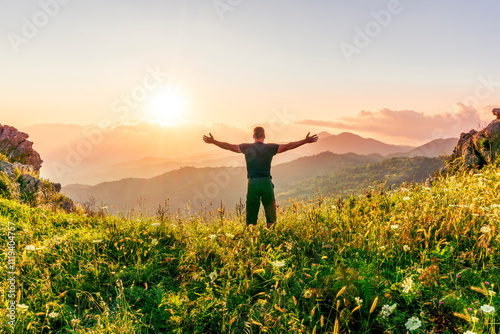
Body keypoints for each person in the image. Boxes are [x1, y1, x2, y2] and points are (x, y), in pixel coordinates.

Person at [203, 127, 318, 229]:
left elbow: (228, 146)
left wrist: (213, 141)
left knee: (251, 214)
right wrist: (305, 141)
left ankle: (252, 238)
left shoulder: (246, 147)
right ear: (264, 136)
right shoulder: (270, 148)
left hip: (252, 183)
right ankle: (270, 237)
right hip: (266, 183)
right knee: (270, 214)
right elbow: (288, 146)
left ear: (253, 136)